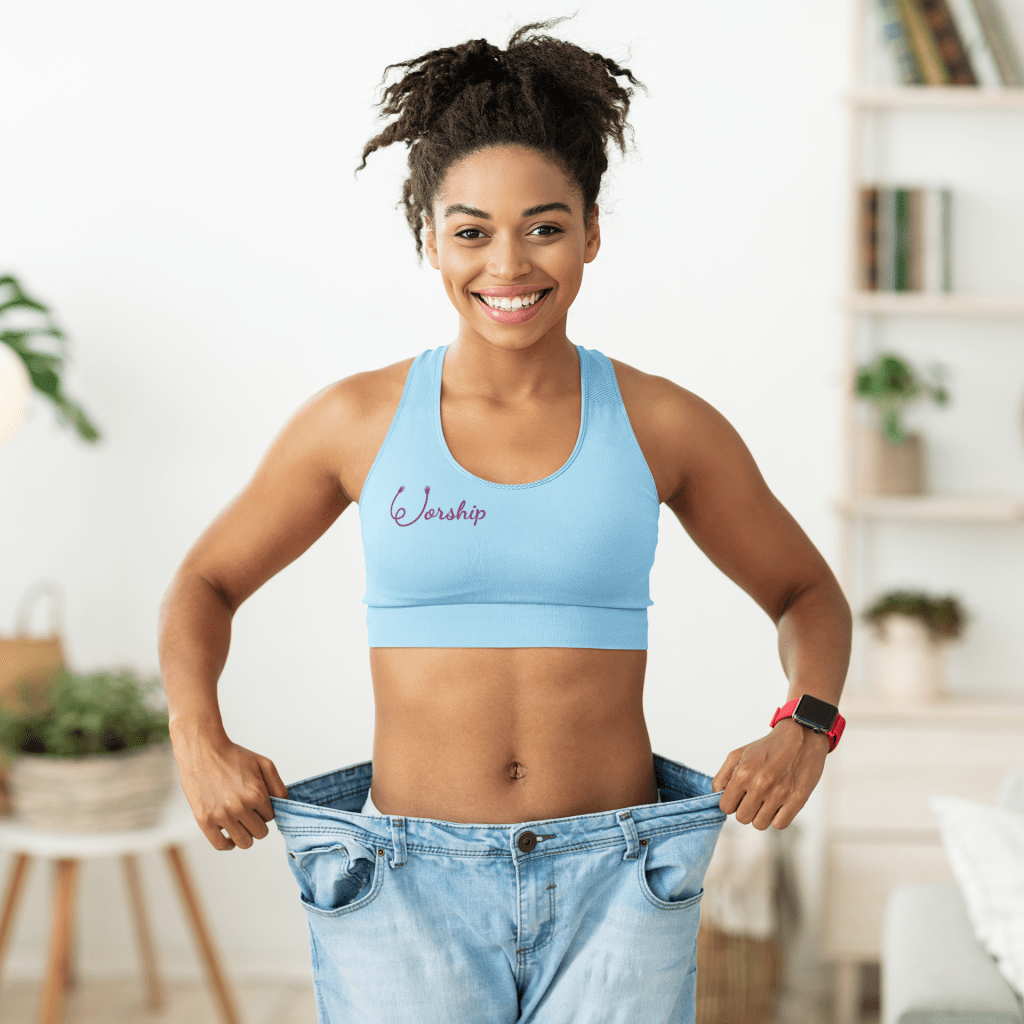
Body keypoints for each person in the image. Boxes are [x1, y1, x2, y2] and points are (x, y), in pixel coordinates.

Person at [158, 19, 851, 1024]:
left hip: (619, 875)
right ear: (429, 238)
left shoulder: (663, 423)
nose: (509, 263)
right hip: (404, 881)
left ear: (590, 231)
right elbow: (204, 584)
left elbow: (806, 592)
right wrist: (195, 734)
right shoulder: (355, 421)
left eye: (545, 224)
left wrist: (807, 727)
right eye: (472, 229)